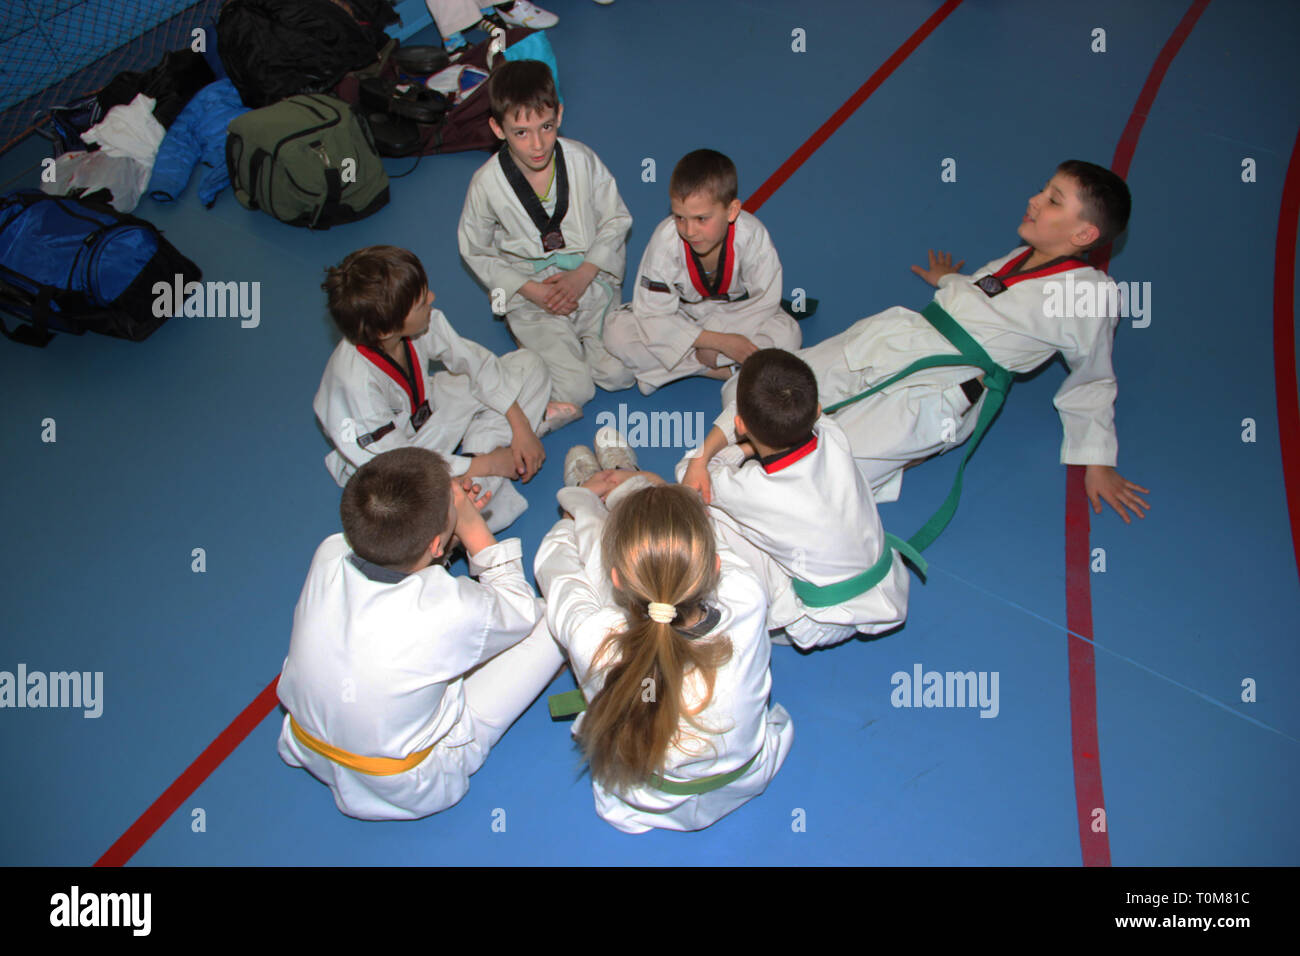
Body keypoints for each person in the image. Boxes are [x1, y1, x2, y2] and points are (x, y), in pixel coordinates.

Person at [691, 160, 1150, 525]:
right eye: (1043, 189)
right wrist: (951, 281)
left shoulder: (1089, 294)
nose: (1034, 199)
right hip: (899, 337)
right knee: (763, 389)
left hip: (941, 389)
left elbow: (1092, 378)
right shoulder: (1028, 253)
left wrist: (1096, 460)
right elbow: (988, 297)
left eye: (1052, 200)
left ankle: (750, 481)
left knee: (828, 474)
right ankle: (722, 456)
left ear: (1083, 234)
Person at [277, 447, 564, 821]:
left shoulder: (329, 552)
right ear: (432, 543)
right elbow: (519, 609)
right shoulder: (446, 607)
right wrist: (471, 528)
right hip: (409, 782)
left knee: (432, 649)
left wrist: (440, 531)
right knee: (550, 616)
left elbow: (398, 564)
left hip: (308, 742)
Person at [534, 478, 793, 833]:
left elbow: (557, 573)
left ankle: (587, 503)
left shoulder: (594, 639)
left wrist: (567, 520)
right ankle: (624, 480)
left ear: (618, 581)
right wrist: (656, 488)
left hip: (645, 800)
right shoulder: (747, 598)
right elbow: (712, 548)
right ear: (714, 569)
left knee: (589, 579)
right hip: (742, 778)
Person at [314, 245, 553, 532]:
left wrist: (521, 425)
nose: (432, 298)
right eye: (421, 302)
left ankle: (479, 463)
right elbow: (399, 465)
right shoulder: (355, 386)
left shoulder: (418, 323)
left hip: (429, 412)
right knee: (416, 510)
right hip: (389, 467)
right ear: (386, 330)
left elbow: (475, 362)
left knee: (529, 365)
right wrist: (489, 464)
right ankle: (471, 498)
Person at [679, 349, 908, 649]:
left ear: (741, 425)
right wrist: (751, 447)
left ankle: (715, 611)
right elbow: (745, 410)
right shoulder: (833, 434)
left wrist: (709, 457)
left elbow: (690, 472)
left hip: (817, 622)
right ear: (817, 411)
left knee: (705, 506)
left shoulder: (754, 490)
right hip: (886, 590)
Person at [458, 59, 635, 415]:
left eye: (547, 126)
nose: (537, 144)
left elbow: (616, 218)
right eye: (521, 132)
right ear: (497, 128)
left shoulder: (582, 160)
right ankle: (534, 335)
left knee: (619, 375)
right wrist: (532, 291)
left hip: (588, 277)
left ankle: (575, 339)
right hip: (532, 292)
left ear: (560, 114)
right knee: (576, 390)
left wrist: (583, 275)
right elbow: (475, 249)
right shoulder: (486, 184)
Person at [603, 149, 800, 394]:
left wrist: (721, 338)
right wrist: (717, 343)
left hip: (736, 317)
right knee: (616, 331)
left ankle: (667, 371)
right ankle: (724, 372)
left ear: (732, 211)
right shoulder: (665, 242)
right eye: (679, 217)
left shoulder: (752, 238)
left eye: (701, 219)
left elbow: (764, 303)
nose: (689, 230)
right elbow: (652, 313)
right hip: (683, 317)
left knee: (788, 334)